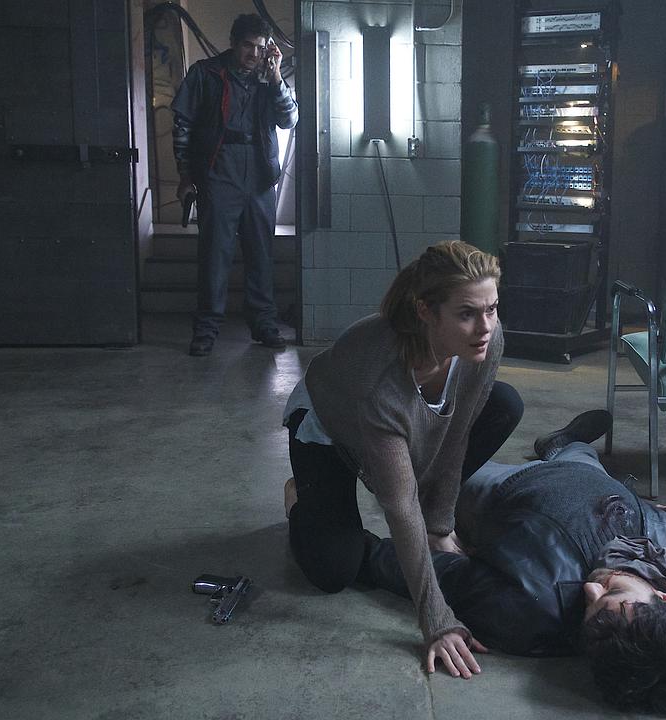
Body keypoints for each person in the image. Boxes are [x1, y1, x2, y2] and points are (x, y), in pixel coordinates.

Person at [360, 411, 666, 715]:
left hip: (509, 489)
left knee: (427, 468)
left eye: (589, 608)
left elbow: (433, 573)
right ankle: (563, 443)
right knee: (580, 453)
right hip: (596, 481)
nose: (591, 589)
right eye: (612, 592)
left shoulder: (530, 609)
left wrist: (355, 553)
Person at [283, 240, 523, 680]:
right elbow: (399, 504)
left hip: (400, 425)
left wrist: (440, 526)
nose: (485, 326)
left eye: (491, 309)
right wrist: (437, 619)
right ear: (426, 312)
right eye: (467, 314)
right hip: (329, 428)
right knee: (333, 570)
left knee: (505, 405)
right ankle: (300, 495)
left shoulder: (487, 340)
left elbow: (456, 435)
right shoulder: (378, 379)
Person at [171, 14, 298, 357]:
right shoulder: (206, 73)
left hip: (259, 174)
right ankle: (206, 328)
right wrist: (185, 174)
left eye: (260, 47)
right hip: (219, 170)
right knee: (215, 254)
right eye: (247, 45)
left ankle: (264, 323)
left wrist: (276, 78)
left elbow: (289, 119)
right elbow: (182, 124)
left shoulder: (268, 77)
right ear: (233, 43)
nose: (253, 54)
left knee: (261, 253)